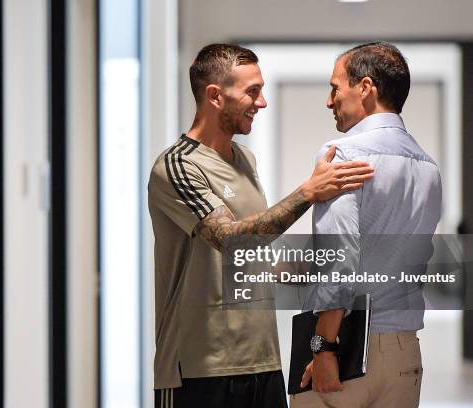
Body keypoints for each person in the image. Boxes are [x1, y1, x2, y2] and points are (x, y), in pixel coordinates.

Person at [147, 43, 374, 408]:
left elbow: (251, 258)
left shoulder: (244, 159)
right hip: (199, 369)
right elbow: (230, 240)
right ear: (215, 96)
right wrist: (308, 192)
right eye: (252, 91)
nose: (262, 102)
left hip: (264, 361)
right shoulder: (176, 166)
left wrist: (331, 260)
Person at [290, 42, 442, 408]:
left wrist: (323, 347)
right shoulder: (429, 168)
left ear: (366, 88)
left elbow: (338, 260)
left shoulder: (341, 156)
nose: (330, 101)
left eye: (335, 88)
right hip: (405, 354)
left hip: (344, 351)